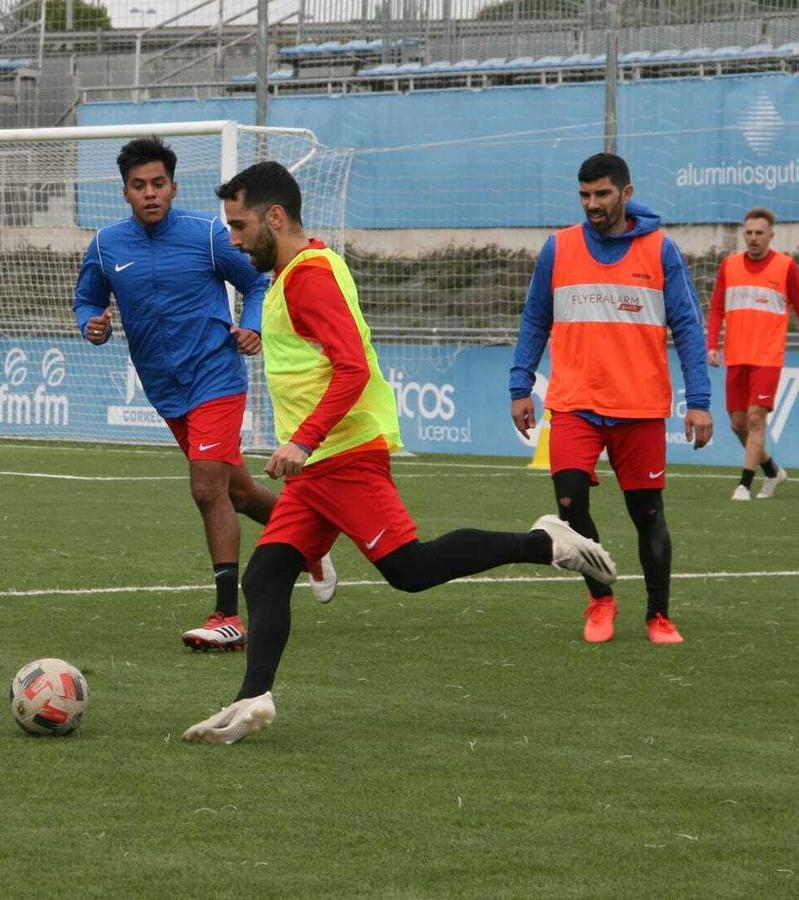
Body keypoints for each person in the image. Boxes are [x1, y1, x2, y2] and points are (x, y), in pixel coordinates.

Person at [182, 162, 618, 745]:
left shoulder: (310, 276)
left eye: (239, 226)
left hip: (345, 456)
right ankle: (252, 699)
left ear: (275, 217)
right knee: (265, 574)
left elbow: (353, 367)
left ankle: (546, 542)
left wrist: (302, 439)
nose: (233, 240)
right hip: (320, 466)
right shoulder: (294, 274)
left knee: (410, 571)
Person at [74, 136, 337, 653]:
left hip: (215, 378)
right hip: (165, 391)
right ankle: (314, 538)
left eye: (158, 184)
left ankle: (228, 617)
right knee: (235, 493)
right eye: (138, 185)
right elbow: (87, 297)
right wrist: (92, 323)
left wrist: (252, 326)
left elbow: (260, 282)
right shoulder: (106, 246)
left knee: (205, 489)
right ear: (125, 192)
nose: (150, 193)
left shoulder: (209, 236)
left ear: (173, 187)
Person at [509, 152, 713, 646]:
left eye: (601, 194)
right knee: (568, 500)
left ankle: (658, 615)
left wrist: (700, 399)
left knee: (647, 514)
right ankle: (601, 599)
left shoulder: (661, 250)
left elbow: (686, 326)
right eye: (584, 195)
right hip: (576, 401)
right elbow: (536, 318)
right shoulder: (558, 248)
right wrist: (520, 385)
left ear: (626, 192)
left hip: (639, 406)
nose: (592, 204)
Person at [706, 207, 799, 501]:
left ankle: (744, 484)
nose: (753, 238)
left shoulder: (785, 266)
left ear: (771, 235)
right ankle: (772, 470)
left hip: (767, 358)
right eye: (749, 233)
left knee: (756, 419)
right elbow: (717, 306)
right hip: (737, 356)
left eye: (759, 233)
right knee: (737, 424)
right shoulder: (729, 266)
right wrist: (712, 344)